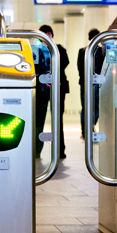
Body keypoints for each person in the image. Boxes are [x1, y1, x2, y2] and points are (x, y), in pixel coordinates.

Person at [35, 25, 69, 159]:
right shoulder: (36, 51)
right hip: (41, 89)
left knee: (58, 120)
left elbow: (65, 62)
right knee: (39, 120)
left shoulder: (59, 49)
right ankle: (36, 150)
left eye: (48, 34)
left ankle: (60, 150)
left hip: (57, 88)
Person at [77, 29, 105, 139]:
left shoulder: (82, 51)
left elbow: (79, 67)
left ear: (88, 38)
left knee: (85, 107)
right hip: (96, 83)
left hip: (84, 83)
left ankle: (85, 130)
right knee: (95, 106)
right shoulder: (100, 51)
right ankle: (90, 126)